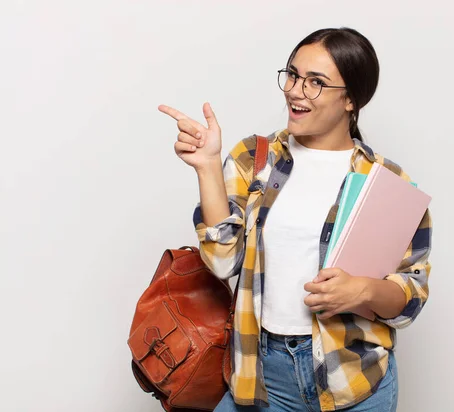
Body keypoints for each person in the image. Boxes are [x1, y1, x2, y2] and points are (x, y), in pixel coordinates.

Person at [159, 27, 432, 412]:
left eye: (316, 82)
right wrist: (206, 167)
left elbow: (410, 295)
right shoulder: (254, 158)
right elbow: (222, 263)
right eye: (292, 75)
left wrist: (364, 290)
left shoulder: (386, 184)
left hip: (353, 379)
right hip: (262, 374)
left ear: (351, 99)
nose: (294, 90)